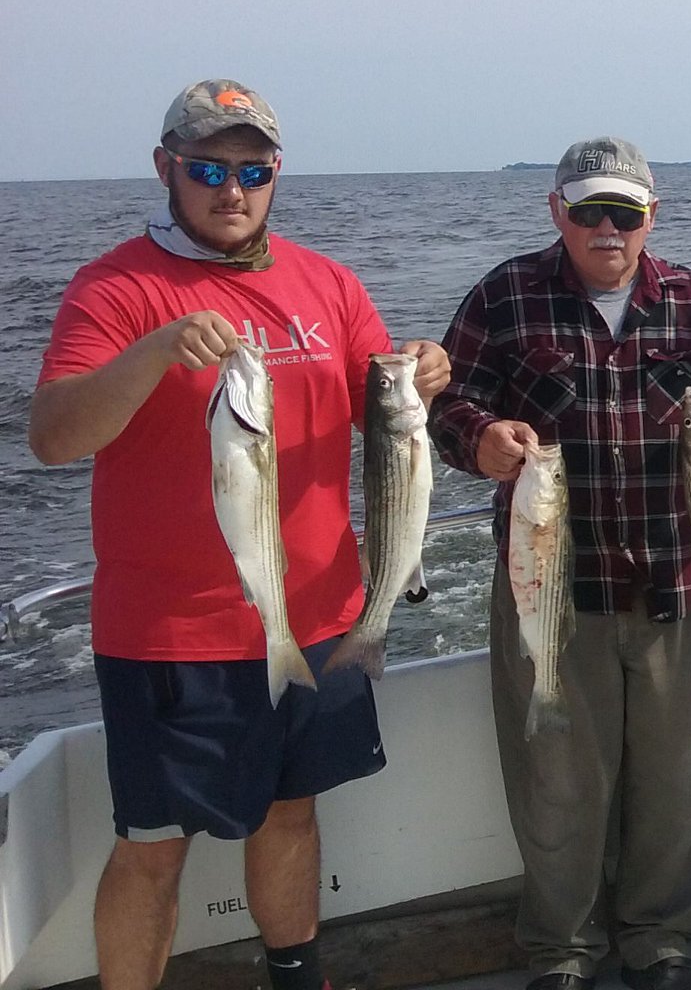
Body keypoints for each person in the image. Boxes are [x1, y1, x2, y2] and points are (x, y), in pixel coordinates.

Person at [28, 79, 451, 990]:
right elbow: (55, 436)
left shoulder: (328, 282)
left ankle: (298, 976)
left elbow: (384, 398)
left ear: (275, 174)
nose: (231, 189)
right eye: (208, 168)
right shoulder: (114, 288)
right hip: (169, 635)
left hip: (320, 616)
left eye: (252, 169)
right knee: (153, 848)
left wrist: (426, 368)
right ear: (166, 169)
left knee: (291, 814)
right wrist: (150, 354)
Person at [427, 137, 691, 990]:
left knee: (673, 785)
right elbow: (443, 411)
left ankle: (660, 944)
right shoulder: (504, 295)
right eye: (589, 212)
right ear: (558, 213)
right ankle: (563, 954)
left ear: (651, 216)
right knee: (557, 789)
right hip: (552, 592)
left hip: (677, 585)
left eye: (625, 212)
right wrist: (481, 438)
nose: (608, 229)